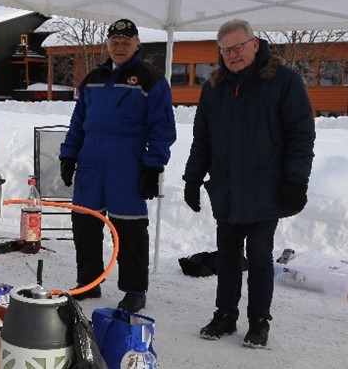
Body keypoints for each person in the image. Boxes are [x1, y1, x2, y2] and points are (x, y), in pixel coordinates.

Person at [183, 19, 315, 348]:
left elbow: (301, 135)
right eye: (226, 50)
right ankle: (225, 314)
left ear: (255, 44)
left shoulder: (283, 81)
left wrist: (296, 180)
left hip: (264, 189)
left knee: (258, 256)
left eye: (238, 47)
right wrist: (193, 178)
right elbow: (202, 139)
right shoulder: (214, 88)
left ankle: (259, 320)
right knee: (227, 255)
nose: (232, 55)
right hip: (226, 188)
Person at [59, 18, 176, 312]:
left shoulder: (150, 79)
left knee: (129, 230)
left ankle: (135, 290)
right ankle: (89, 282)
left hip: (127, 166)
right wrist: (68, 155)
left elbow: (162, 128)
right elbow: (78, 123)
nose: (120, 47)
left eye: (126, 42)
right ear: (108, 45)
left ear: (137, 44)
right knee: (85, 225)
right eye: (115, 42)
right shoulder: (93, 79)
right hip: (90, 165)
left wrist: (153, 165)